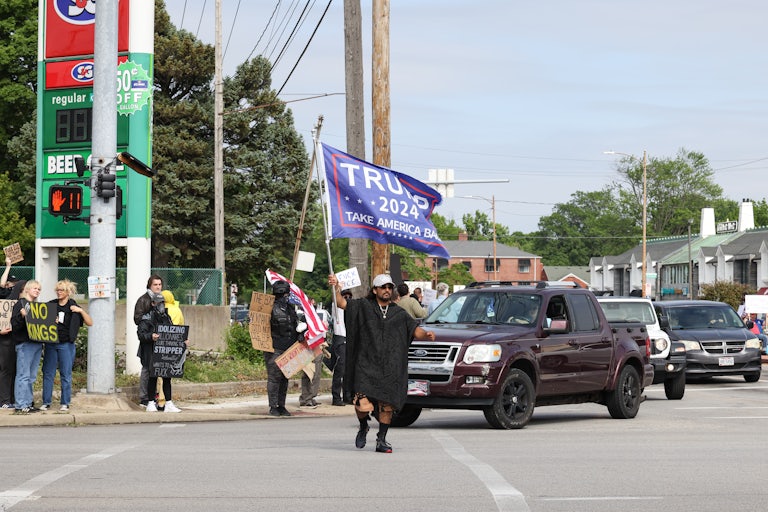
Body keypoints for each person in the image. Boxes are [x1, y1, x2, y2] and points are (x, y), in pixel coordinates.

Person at [328, 273, 436, 453]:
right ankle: (363, 426)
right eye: (383, 287)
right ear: (375, 290)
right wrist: (336, 287)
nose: (387, 290)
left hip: (390, 366)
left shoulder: (399, 313)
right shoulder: (363, 306)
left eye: (389, 288)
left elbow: (414, 330)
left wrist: (426, 335)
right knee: (362, 404)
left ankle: (382, 439)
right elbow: (341, 303)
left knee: (387, 404)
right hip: (365, 364)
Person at [41, 279, 93, 411]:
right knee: (48, 373)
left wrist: (80, 311)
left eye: (61, 290)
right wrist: (49, 320)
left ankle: (65, 402)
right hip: (51, 343)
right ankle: (46, 402)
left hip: (66, 344)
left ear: (68, 292)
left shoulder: (73, 306)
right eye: (57, 290)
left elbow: (90, 322)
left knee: (66, 374)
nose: (58, 292)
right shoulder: (51, 305)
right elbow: (39, 319)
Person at [137, 292, 183, 413]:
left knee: (167, 377)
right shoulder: (146, 317)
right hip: (150, 352)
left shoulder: (165, 317)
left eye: (163, 302)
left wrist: (182, 339)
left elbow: (172, 330)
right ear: (152, 303)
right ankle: (151, 402)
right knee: (153, 377)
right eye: (158, 302)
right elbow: (141, 334)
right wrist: (151, 336)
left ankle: (168, 403)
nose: (161, 305)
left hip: (163, 353)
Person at [266, 280, 297, 417]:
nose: (285, 296)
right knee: (274, 378)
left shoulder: (291, 308)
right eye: (283, 294)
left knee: (285, 378)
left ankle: (282, 405)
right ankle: (273, 406)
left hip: (288, 348)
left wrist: (300, 334)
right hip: (274, 348)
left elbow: (294, 324)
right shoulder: (269, 308)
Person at [12, 280, 43, 414]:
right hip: (25, 343)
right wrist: (21, 315)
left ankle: (28, 402)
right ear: (28, 289)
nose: (37, 291)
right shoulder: (20, 304)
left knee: (31, 376)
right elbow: (14, 324)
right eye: (35, 288)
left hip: (36, 343)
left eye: (39, 289)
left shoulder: (37, 306)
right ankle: (20, 404)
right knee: (23, 375)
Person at [134, 275, 163, 407]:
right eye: (155, 285)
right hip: (148, 341)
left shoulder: (161, 299)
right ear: (150, 286)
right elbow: (137, 319)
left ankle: (154, 396)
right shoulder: (143, 300)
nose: (158, 287)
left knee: (156, 370)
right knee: (147, 369)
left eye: (159, 284)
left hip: (159, 341)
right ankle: (144, 398)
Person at [0, 280, 24, 409]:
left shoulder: (26, 305)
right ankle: (4, 400)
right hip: (5, 341)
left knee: (16, 371)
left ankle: (13, 399)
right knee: (6, 370)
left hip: (18, 340)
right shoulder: (6, 301)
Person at [329, 290, 352, 406]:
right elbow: (335, 298)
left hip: (349, 340)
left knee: (348, 370)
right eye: (345, 296)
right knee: (340, 370)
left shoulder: (351, 310)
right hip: (340, 339)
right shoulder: (337, 308)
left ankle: (347, 396)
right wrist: (337, 288)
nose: (347, 298)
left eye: (349, 297)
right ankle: (336, 397)